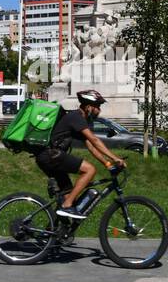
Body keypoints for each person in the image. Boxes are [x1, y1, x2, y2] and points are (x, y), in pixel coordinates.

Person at [35, 90, 124, 220]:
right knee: (90, 170)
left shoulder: (81, 120)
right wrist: (115, 158)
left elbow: (91, 147)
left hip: (50, 157)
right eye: (97, 107)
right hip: (51, 155)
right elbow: (94, 140)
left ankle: (56, 232)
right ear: (88, 107)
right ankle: (66, 205)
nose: (99, 110)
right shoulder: (76, 117)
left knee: (69, 194)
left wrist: (108, 164)